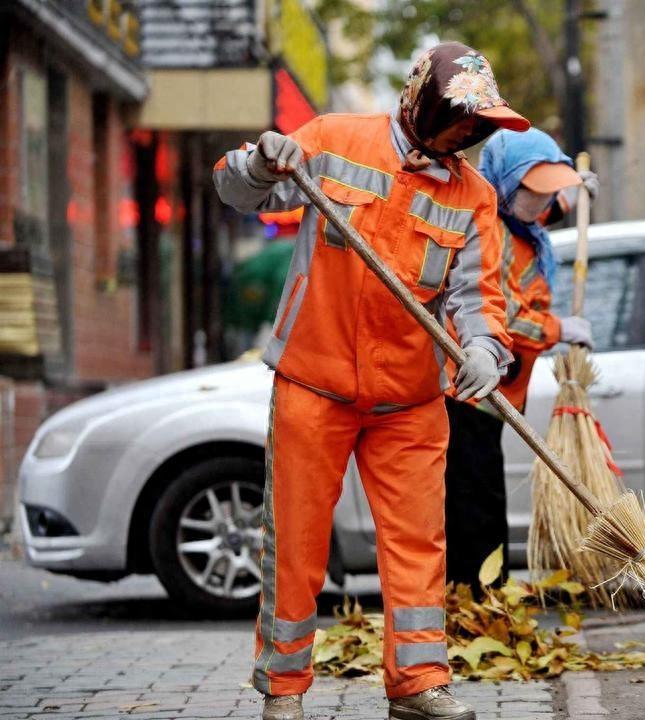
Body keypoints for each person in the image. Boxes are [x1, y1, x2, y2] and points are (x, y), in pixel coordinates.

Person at [213, 42, 528, 720]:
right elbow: (235, 191)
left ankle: (418, 685)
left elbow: (480, 299)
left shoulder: (473, 197)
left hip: (411, 400)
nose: (470, 136)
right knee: (296, 544)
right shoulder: (332, 139)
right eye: (462, 120)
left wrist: (483, 350)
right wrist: (263, 159)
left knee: (420, 544)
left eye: (480, 126)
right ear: (422, 106)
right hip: (312, 382)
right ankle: (284, 690)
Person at [443, 128, 598, 590]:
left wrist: (578, 194)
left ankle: (481, 595)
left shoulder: (518, 220)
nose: (544, 202)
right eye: (535, 189)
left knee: (481, 495)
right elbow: (501, 319)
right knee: (476, 502)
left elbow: (543, 210)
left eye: (551, 189)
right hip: (466, 389)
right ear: (507, 186)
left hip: (494, 394)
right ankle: (478, 599)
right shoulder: (490, 231)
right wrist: (557, 330)